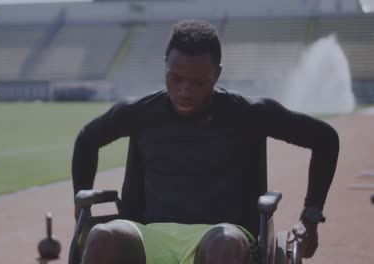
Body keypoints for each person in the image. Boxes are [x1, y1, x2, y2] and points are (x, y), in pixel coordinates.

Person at [71, 20, 339, 264]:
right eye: (175, 79)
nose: (185, 90)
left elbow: (325, 139)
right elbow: (86, 140)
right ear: (166, 64)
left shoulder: (249, 114)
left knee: (225, 244)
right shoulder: (140, 112)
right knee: (102, 236)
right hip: (148, 235)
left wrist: (310, 218)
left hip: (221, 235)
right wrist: (78, 206)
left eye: (199, 82)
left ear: (217, 74)